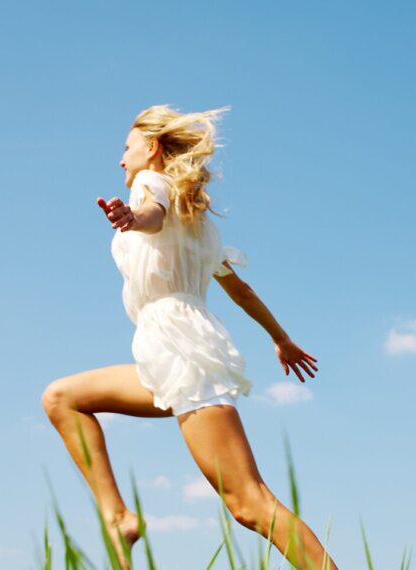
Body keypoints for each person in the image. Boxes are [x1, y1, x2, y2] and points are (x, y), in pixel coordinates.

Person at [40, 104, 337, 570]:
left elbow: (152, 213)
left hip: (179, 347)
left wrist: (133, 217)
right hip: (169, 351)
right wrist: (280, 339)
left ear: (152, 148)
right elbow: (240, 290)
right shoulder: (199, 225)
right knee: (62, 398)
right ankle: (117, 517)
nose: (121, 158)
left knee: (250, 503)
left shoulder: (150, 184)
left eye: (126, 147)